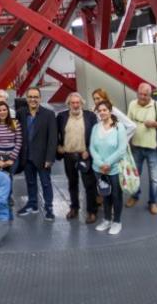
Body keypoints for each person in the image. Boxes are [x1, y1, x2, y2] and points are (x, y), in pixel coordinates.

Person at [16, 86, 57, 221]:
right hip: (27, 156)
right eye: (30, 97)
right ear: (27, 99)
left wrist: (50, 157)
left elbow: (52, 138)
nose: (33, 99)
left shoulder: (48, 114)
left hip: (43, 157)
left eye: (35, 97)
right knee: (30, 182)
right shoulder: (21, 113)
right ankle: (32, 204)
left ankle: (49, 207)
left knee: (46, 183)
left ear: (40, 98)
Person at [56, 92, 98, 223]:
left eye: (77, 102)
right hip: (69, 156)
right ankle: (74, 207)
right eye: (72, 103)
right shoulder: (61, 116)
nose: (75, 105)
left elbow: (95, 135)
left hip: (84, 156)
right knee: (72, 183)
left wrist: (89, 151)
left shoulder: (90, 116)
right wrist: (58, 146)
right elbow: (55, 133)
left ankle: (92, 211)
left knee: (89, 185)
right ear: (68, 104)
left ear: (81, 104)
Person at [126, 82, 157, 215]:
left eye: (146, 95)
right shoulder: (132, 104)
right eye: (140, 94)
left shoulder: (156, 105)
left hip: (152, 149)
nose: (142, 97)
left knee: (154, 178)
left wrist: (154, 123)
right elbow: (128, 123)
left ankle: (153, 202)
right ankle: (135, 196)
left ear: (150, 95)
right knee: (135, 176)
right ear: (137, 93)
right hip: (136, 147)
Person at [90, 100, 127, 236]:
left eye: (104, 110)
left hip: (114, 169)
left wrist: (108, 163)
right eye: (99, 111)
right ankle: (106, 219)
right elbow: (92, 147)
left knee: (116, 195)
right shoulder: (95, 127)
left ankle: (117, 221)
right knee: (105, 195)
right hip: (99, 169)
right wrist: (100, 164)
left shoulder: (119, 127)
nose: (102, 113)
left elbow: (121, 149)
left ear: (110, 111)